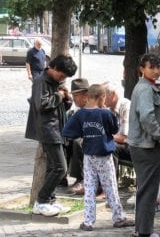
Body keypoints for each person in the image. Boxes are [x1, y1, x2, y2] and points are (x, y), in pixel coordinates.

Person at [62, 84, 135, 231]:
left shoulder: (80, 114)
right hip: (104, 156)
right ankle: (119, 217)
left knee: (89, 188)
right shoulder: (106, 113)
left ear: (88, 97)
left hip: (88, 155)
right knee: (111, 186)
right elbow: (114, 129)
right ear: (102, 97)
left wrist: (83, 134)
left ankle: (88, 222)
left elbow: (67, 131)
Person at [25, 55, 77, 217]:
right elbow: (42, 105)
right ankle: (41, 201)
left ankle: (50, 201)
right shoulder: (41, 81)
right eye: (62, 75)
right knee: (61, 168)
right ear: (53, 68)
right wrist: (59, 96)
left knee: (53, 167)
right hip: (48, 130)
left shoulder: (55, 82)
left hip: (57, 129)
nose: (63, 79)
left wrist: (67, 98)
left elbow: (61, 108)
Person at [127, 53, 160, 237]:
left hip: (142, 145)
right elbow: (147, 117)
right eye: (152, 67)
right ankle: (145, 232)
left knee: (145, 189)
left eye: (158, 67)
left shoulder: (145, 87)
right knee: (149, 190)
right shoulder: (145, 89)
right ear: (142, 69)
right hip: (147, 146)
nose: (156, 71)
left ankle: (140, 229)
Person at [65, 78, 90, 195]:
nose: (74, 99)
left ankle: (81, 179)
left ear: (85, 95)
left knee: (78, 142)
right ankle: (61, 176)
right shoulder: (78, 109)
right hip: (83, 136)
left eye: (76, 95)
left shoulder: (94, 106)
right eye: (73, 95)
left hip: (95, 138)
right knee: (65, 140)